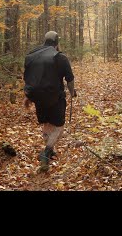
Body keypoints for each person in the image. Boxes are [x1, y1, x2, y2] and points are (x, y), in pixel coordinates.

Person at [23, 31, 75, 172]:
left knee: (46, 124)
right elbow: (69, 80)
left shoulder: (32, 56)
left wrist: (28, 96)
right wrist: (72, 92)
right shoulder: (60, 58)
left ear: (44, 41)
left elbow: (29, 78)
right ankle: (46, 152)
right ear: (57, 43)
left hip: (38, 99)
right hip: (55, 98)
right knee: (59, 126)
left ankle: (50, 151)